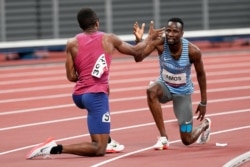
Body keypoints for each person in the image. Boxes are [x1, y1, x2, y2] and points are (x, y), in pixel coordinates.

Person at [25, 7, 163, 159]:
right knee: (99, 148)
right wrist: (149, 38)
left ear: (80, 26)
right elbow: (137, 52)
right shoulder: (109, 39)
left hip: (79, 95)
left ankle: (107, 139)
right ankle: (53, 148)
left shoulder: (72, 43)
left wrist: (86, 75)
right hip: (95, 96)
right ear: (97, 23)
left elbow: (71, 76)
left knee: (105, 90)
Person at [133, 17, 211, 150]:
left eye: (175, 31)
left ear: (182, 34)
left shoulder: (193, 51)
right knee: (151, 90)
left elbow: (201, 75)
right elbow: (138, 58)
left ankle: (205, 125)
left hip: (183, 93)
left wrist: (203, 102)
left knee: (187, 139)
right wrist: (140, 40)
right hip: (165, 87)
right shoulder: (160, 43)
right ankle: (163, 138)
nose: (170, 34)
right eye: (168, 30)